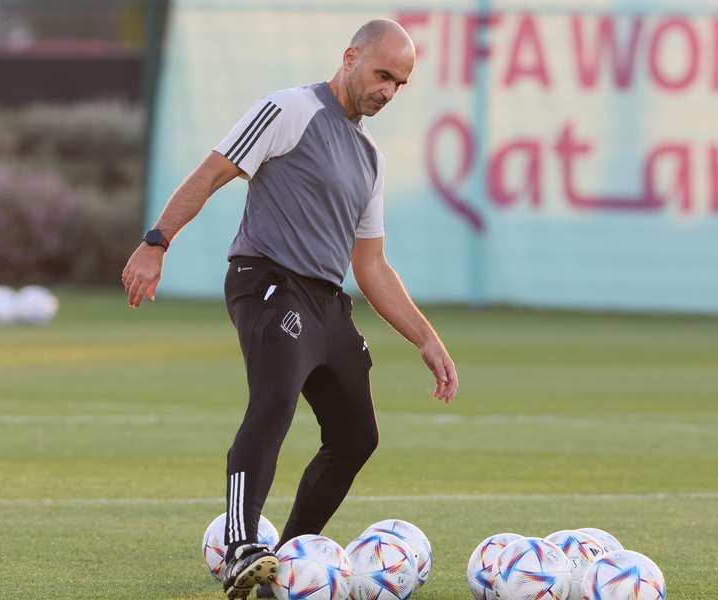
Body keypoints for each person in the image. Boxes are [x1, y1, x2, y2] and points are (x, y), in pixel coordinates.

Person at [121, 18, 459, 600]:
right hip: (268, 280)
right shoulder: (289, 110)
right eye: (382, 74)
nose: (388, 91)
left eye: (400, 83)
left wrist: (425, 339)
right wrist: (156, 243)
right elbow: (214, 171)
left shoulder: (370, 157)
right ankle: (239, 547)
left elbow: (371, 266)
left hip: (329, 302)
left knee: (357, 436)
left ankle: (286, 559)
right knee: (274, 401)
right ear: (350, 57)